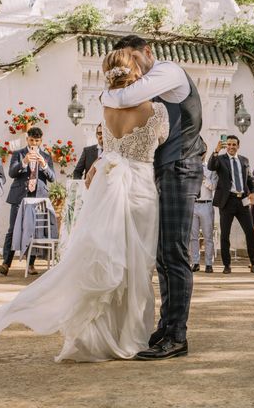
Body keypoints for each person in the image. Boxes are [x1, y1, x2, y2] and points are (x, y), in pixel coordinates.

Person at [0, 49, 170, 361]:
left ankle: (100, 335)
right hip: (139, 187)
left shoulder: (107, 105)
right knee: (137, 265)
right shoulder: (156, 111)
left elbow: (111, 147)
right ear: (135, 73)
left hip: (108, 184)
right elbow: (161, 140)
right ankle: (131, 336)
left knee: (108, 256)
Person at [100, 35, 205, 360]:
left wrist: (108, 85)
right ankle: (166, 329)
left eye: (134, 59)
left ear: (147, 52)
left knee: (173, 252)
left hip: (181, 166)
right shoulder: (150, 81)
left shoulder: (169, 71)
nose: (132, 67)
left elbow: (121, 96)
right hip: (164, 168)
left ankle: (177, 336)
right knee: (162, 254)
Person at [0, 127, 55, 276]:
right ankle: (5, 264)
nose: (34, 143)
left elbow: (52, 178)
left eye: (37, 140)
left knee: (34, 231)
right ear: (27, 139)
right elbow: (11, 173)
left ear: (41, 141)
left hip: (37, 198)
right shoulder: (18, 154)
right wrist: (23, 162)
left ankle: (31, 264)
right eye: (31, 140)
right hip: (19, 197)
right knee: (12, 229)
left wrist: (44, 165)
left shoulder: (46, 156)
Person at [208, 135, 254, 274]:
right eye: (229, 144)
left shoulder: (244, 160)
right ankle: (227, 265)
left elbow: (250, 179)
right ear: (227, 146)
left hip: (242, 201)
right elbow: (211, 166)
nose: (231, 147)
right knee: (225, 234)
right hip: (227, 201)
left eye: (234, 144)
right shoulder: (219, 159)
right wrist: (216, 151)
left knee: (249, 232)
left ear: (238, 146)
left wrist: (253, 192)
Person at [190, 152, 218, 273]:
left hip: (206, 204)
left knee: (208, 236)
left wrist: (204, 179)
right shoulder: (189, 168)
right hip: (192, 204)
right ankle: (195, 262)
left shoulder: (211, 169)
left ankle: (208, 264)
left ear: (205, 153)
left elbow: (214, 186)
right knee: (193, 237)